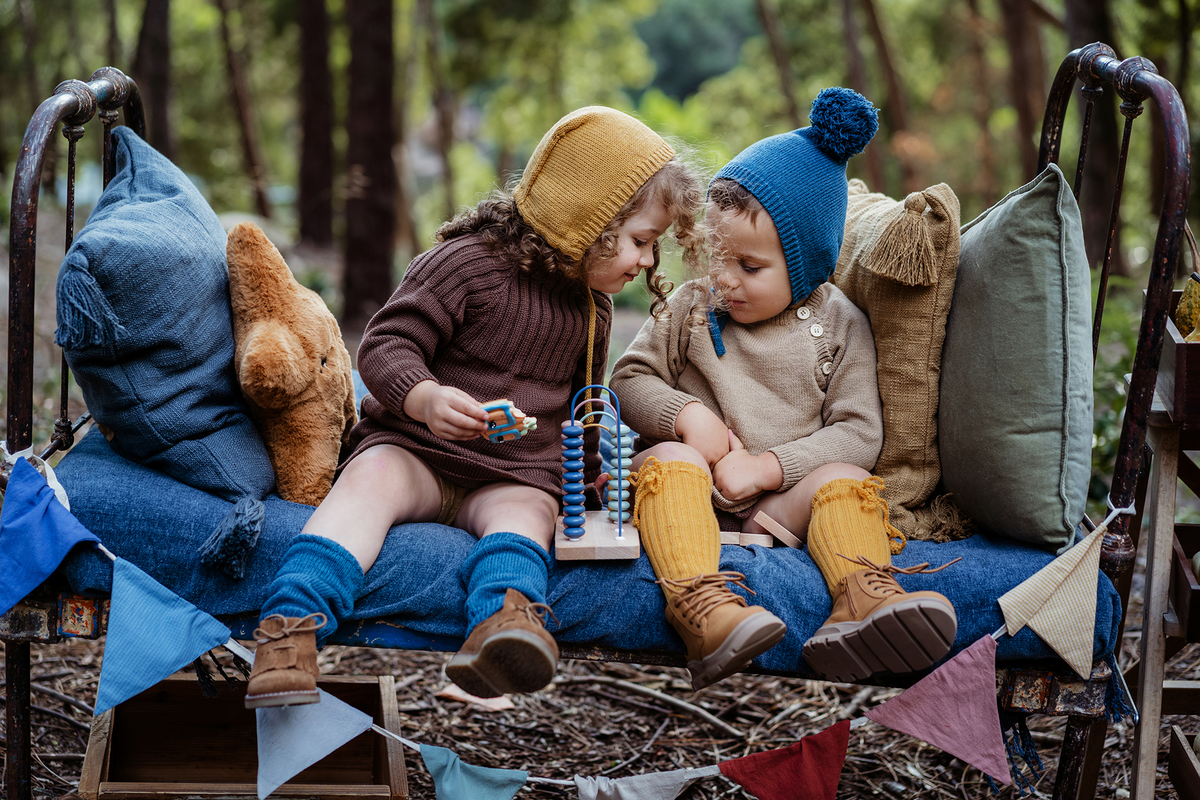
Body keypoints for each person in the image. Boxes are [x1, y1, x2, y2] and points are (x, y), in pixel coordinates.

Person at [244, 106, 704, 708]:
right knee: (368, 483)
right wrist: (425, 396)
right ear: (588, 220)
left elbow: (584, 409)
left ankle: (499, 639)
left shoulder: (594, 308)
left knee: (526, 519)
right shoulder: (467, 263)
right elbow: (387, 344)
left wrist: (586, 483)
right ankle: (288, 632)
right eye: (642, 242)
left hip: (513, 475)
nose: (647, 261)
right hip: (421, 453)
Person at [610, 87, 957, 689]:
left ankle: (862, 598)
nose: (724, 280)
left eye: (749, 267)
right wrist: (685, 414)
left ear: (805, 266)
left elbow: (859, 433)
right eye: (717, 258)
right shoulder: (692, 307)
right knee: (668, 459)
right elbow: (628, 378)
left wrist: (771, 467)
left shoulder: (839, 322)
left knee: (846, 480)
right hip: (694, 494)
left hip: (779, 507)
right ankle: (703, 607)